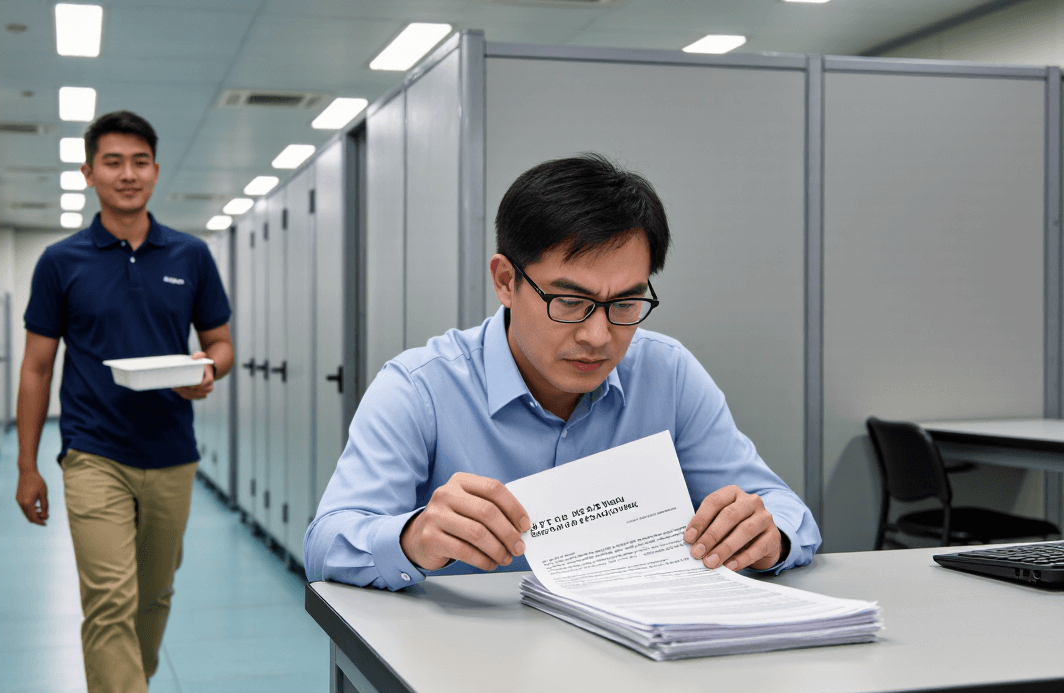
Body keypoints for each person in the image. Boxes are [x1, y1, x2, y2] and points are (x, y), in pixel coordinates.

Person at [304, 154, 819, 590]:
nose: (598, 336)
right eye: (570, 301)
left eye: (626, 302)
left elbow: (785, 510)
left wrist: (767, 535)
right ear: (506, 281)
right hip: (468, 671)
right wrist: (412, 538)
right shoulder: (421, 388)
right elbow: (327, 543)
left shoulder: (668, 373)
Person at [15, 110, 233, 693]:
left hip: (172, 451)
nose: (127, 174)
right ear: (88, 174)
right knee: (109, 598)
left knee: (153, 596)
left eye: (139, 161)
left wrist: (206, 371)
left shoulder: (190, 255)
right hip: (92, 451)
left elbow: (220, 345)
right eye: (112, 162)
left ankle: (127, 685)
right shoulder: (61, 263)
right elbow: (36, 366)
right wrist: (28, 467)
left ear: (156, 172)